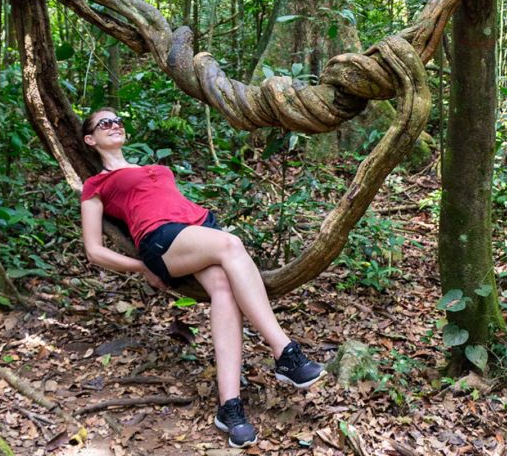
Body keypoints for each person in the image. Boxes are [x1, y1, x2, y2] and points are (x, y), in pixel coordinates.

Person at [80, 107, 325, 449]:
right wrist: (141, 268)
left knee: (224, 292)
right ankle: (284, 351)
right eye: (104, 123)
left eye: (118, 120)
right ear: (91, 139)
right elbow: (93, 249)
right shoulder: (97, 184)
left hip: (196, 230)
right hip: (160, 239)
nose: (114, 125)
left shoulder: (150, 167)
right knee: (231, 244)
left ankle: (230, 408)